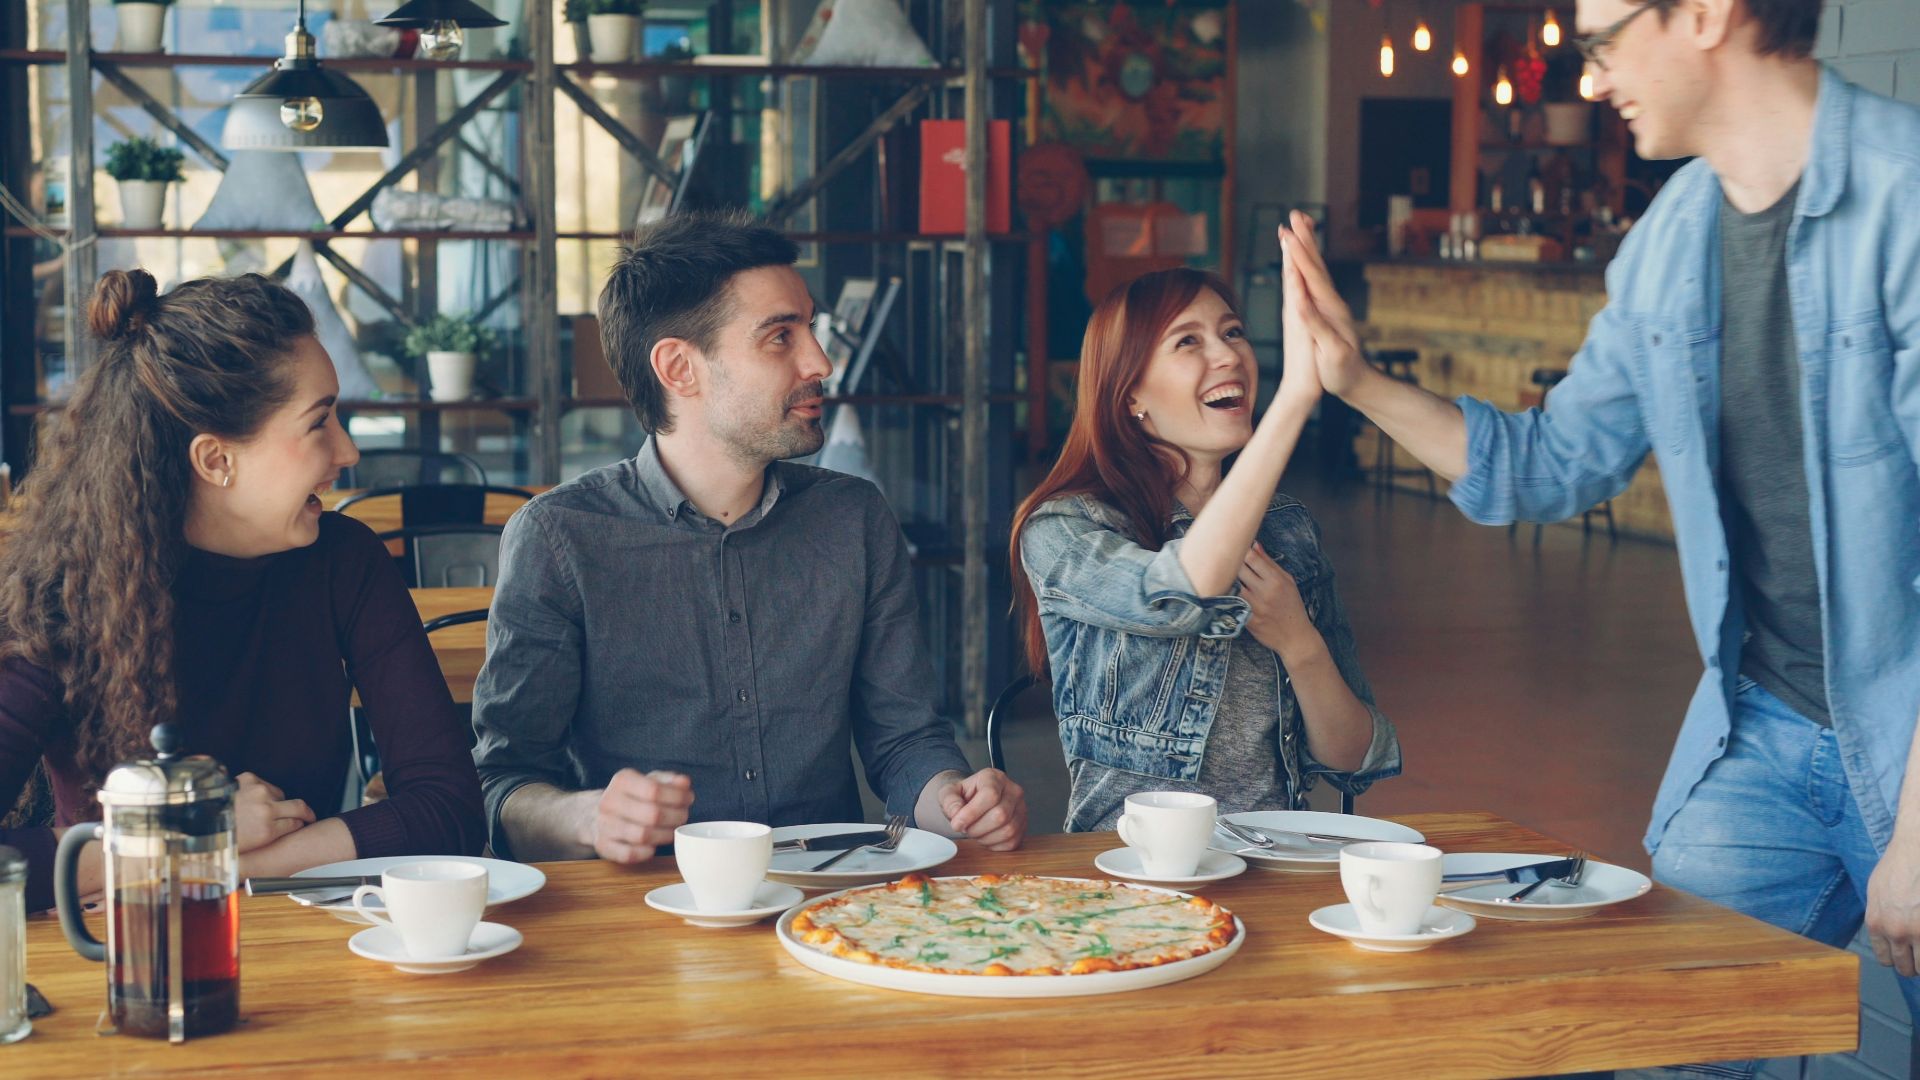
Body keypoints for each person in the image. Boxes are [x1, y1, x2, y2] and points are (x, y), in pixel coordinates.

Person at [1282, 1, 1920, 1073]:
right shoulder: (1673, 241)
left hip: (1910, 741)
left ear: (1706, 14)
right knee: (1661, 1035)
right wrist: (1356, 382)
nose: (1590, 78)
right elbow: (1546, 464)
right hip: (1765, 725)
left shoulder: (1905, 200)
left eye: (1604, 41)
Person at [471, 211, 1026, 864]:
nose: (820, 361)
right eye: (780, 337)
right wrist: (585, 817)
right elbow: (501, 782)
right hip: (646, 902)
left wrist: (959, 803)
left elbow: (904, 741)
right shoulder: (560, 537)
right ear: (680, 368)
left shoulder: (854, 518)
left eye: (811, 327)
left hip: (827, 895)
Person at [0, 269, 486, 913]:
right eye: (319, 423)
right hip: (122, 951)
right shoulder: (65, 593)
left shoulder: (344, 560)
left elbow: (451, 809)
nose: (348, 452)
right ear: (216, 460)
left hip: (311, 938)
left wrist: (219, 861)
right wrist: (187, 835)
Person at [1010, 265, 1400, 832]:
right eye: (1187, 341)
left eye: (1232, 332)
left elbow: (1352, 761)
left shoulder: (1288, 529)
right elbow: (1179, 595)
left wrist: (1299, 642)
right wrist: (1294, 401)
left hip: (1275, 856)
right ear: (1130, 394)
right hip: (1132, 862)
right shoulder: (1065, 529)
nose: (1227, 355)